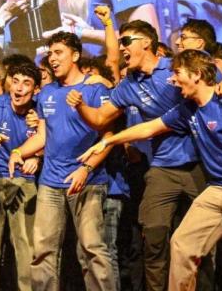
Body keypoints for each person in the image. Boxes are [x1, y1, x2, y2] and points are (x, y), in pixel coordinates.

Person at [87, 49, 222, 289]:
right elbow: (149, 128)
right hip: (217, 189)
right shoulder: (187, 109)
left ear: (197, 74)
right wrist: (107, 141)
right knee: (182, 245)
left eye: (178, 73)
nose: (173, 79)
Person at [71, 20, 204, 290]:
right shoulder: (127, 85)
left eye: (126, 41)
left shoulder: (175, 67)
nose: (121, 48)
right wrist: (82, 106)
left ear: (147, 43)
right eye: (119, 43)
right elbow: (99, 120)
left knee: (201, 245)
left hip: (199, 165)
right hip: (162, 167)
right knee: (153, 239)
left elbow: (213, 77)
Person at [8, 31, 116, 291]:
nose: (52, 59)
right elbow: (44, 136)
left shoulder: (95, 88)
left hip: (87, 181)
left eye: (59, 53)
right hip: (51, 182)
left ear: (75, 55)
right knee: (43, 251)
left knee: (92, 251)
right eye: (50, 53)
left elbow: (109, 138)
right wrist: (18, 152)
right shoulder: (46, 94)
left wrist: (86, 169)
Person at [0, 60, 41, 291]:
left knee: (26, 248)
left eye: (26, 83)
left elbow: (54, 141)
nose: (18, 88)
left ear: (36, 89)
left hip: (24, 182)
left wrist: (38, 156)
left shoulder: (40, 111)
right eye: (15, 82)